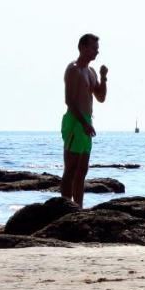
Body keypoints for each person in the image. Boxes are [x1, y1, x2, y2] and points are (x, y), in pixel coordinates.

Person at [61, 33, 108, 207]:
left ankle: (78, 207)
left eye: (97, 48)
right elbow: (70, 101)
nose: (96, 52)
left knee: (82, 170)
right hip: (75, 121)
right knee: (71, 168)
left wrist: (103, 77)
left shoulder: (91, 72)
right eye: (93, 48)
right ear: (82, 47)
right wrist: (83, 123)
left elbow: (101, 97)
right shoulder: (73, 69)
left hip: (87, 122)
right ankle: (65, 207)